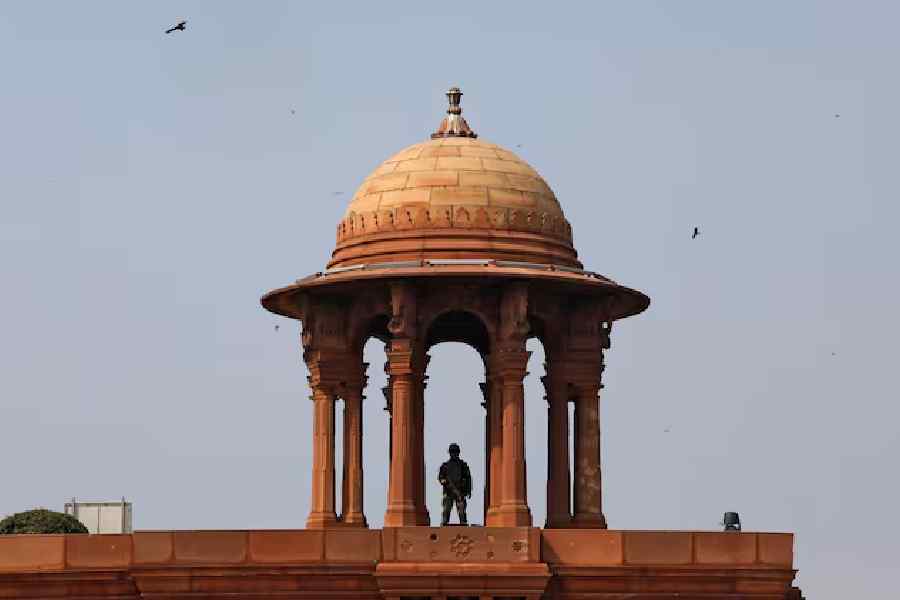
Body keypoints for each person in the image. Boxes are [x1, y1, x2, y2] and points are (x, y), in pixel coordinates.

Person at [438, 442, 472, 526]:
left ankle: (463, 523)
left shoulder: (463, 465)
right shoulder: (445, 466)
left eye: (455, 452)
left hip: (460, 491)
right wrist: (444, 481)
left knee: (461, 510)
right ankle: (444, 523)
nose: (454, 454)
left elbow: (468, 478)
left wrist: (468, 490)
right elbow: (441, 477)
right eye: (452, 452)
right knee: (446, 509)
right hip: (449, 491)